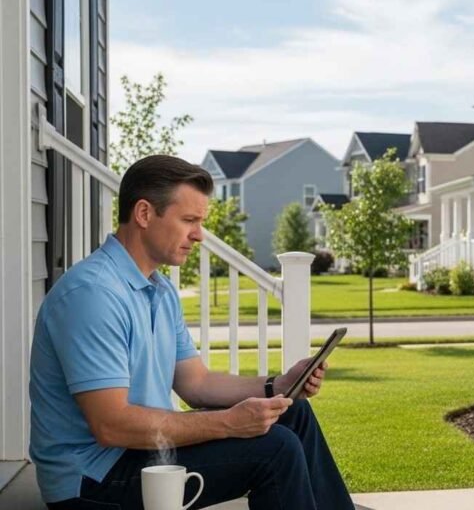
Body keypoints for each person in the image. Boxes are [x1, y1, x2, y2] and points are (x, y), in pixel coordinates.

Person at [29, 155, 356, 510]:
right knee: (275, 449)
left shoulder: (159, 290)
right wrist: (228, 424)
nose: (199, 235)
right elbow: (112, 425)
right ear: (143, 214)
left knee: (294, 414)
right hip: (92, 480)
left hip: (141, 451)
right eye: (189, 220)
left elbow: (195, 383)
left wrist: (277, 385)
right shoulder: (92, 295)